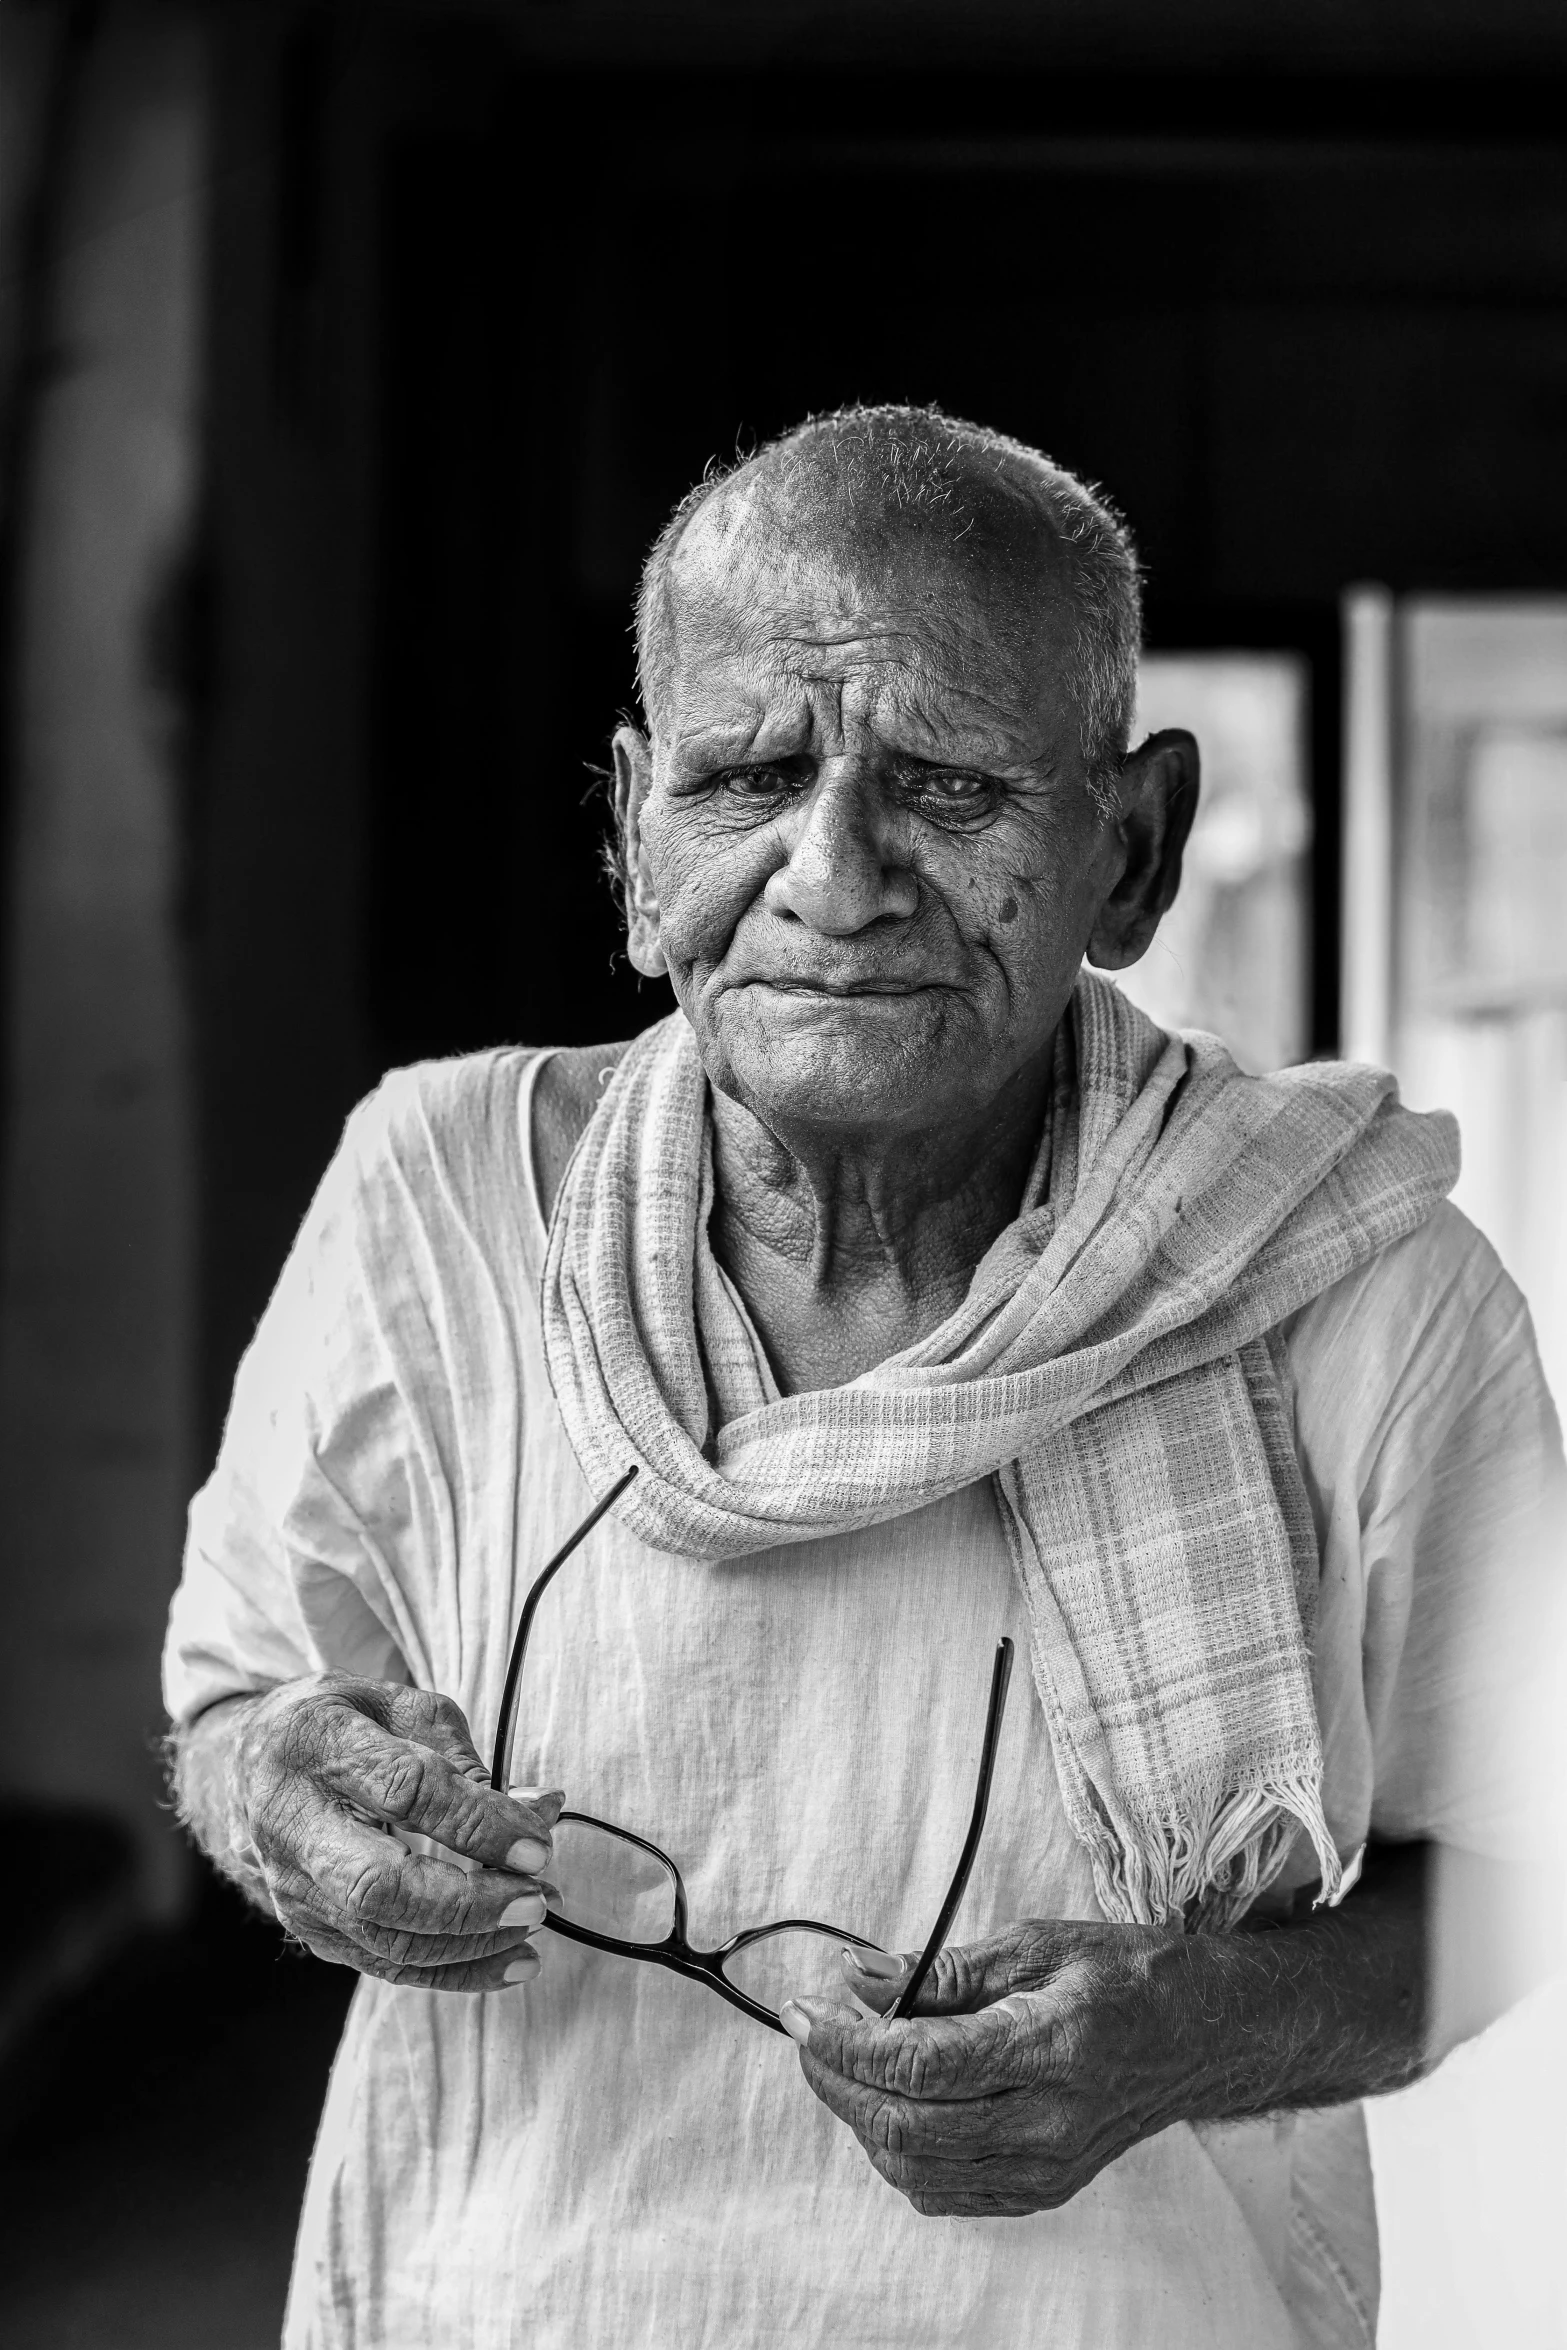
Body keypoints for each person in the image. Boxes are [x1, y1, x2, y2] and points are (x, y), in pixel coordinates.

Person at [164, 405, 1560, 2350]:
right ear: (636, 843)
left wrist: (1204, 2024)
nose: (836, 872)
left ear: (1133, 846)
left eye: (950, 785)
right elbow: (245, 1688)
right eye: (746, 777)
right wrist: (283, 1797)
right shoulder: (443, 1196)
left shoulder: (1358, 1289)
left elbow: (1524, 1864)